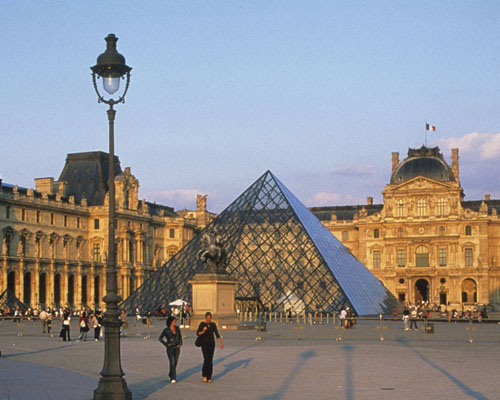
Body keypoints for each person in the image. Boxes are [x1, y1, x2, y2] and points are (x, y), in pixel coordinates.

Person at [197, 312, 223, 383]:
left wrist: (220, 342)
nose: (209, 319)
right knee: (206, 359)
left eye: (210, 318)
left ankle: (209, 376)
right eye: (207, 318)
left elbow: (216, 333)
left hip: (211, 344)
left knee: (210, 360)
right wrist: (203, 330)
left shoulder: (213, 325)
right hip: (204, 344)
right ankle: (204, 375)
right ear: (205, 318)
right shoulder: (202, 324)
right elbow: (198, 333)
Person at [159, 316, 183, 383]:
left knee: (175, 363)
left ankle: (170, 374)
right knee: (172, 362)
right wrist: (166, 344)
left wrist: (180, 344)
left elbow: (180, 337)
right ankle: (173, 377)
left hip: (177, 348)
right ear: (170, 322)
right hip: (170, 348)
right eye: (174, 321)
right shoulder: (166, 330)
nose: (175, 322)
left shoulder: (177, 328)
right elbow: (160, 338)